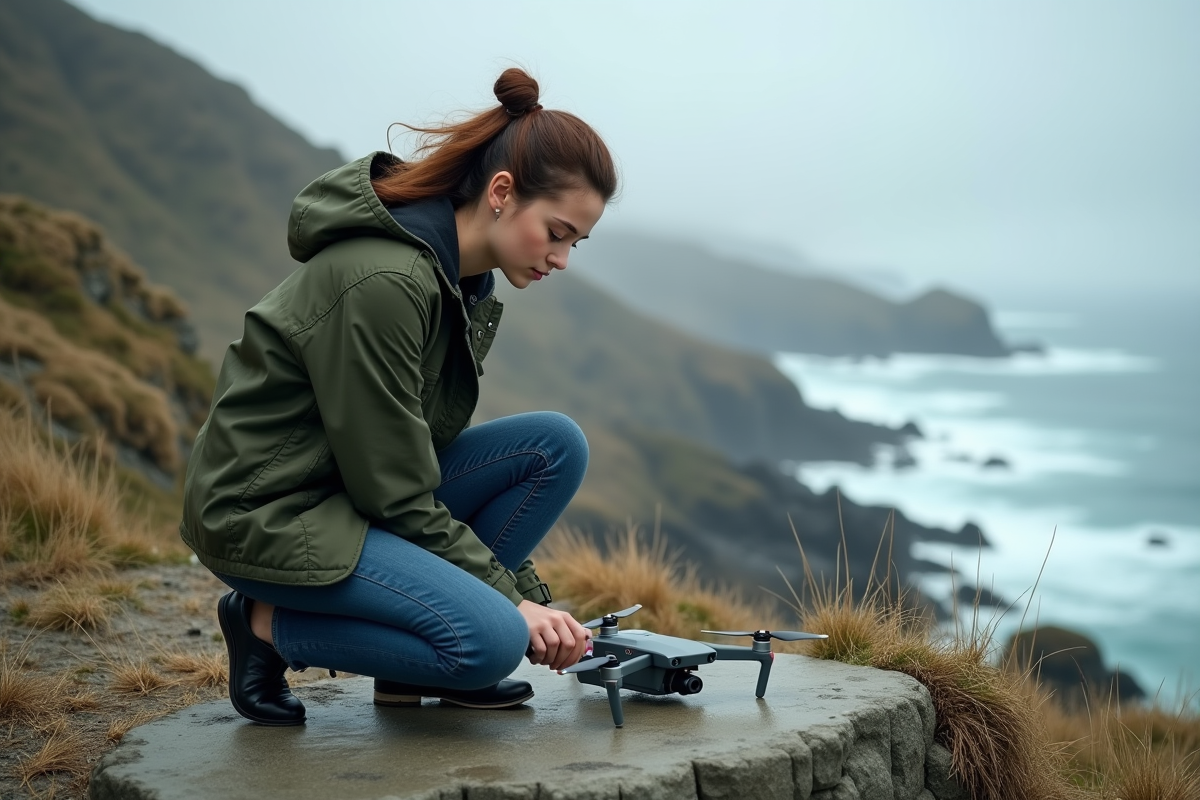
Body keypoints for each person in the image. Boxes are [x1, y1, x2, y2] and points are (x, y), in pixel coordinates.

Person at [179, 68, 618, 726]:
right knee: (490, 642)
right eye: (556, 233)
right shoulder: (384, 280)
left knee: (553, 446)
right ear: (502, 192)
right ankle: (265, 624)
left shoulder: (464, 282)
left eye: (575, 243)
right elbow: (395, 488)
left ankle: (406, 672)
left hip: (347, 492)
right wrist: (514, 608)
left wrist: (534, 599)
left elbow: (408, 458)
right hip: (269, 512)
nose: (561, 259)